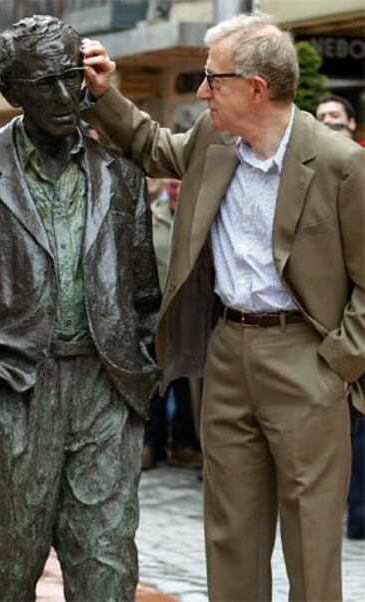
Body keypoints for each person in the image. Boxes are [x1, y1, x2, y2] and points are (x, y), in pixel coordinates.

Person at [81, 12, 365, 601]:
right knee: (231, 532)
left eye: (213, 79)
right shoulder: (214, 141)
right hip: (226, 352)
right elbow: (150, 145)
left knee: (311, 539)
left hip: (306, 357)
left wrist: (337, 363)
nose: (203, 90)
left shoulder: (340, 164)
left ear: (255, 87)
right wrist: (104, 93)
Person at [0, 15, 160, 601]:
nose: (66, 97)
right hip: (12, 388)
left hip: (103, 389)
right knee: (7, 573)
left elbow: (143, 293)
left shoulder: (119, 172)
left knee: (107, 570)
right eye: (45, 83)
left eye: (72, 78)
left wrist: (136, 377)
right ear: (11, 92)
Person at [315, 95, 365, 541]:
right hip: (341, 328)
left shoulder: (356, 170)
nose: (329, 124)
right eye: (321, 118)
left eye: (336, 118)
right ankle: (358, 515)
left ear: (352, 124)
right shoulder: (310, 176)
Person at [143, 178, 202, 469]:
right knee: (155, 381)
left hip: (189, 313)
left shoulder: (197, 214)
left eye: (181, 184)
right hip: (156, 314)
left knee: (185, 382)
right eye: (172, 185)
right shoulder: (152, 215)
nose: (176, 190)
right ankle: (151, 444)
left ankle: (184, 444)